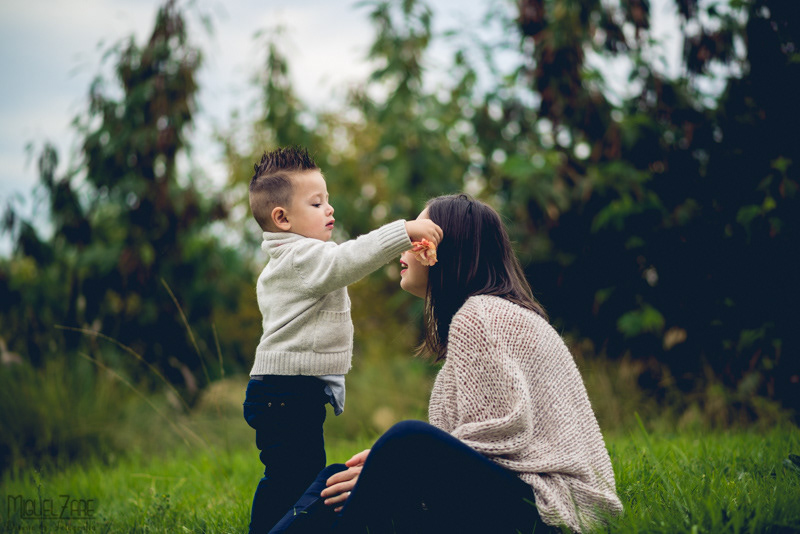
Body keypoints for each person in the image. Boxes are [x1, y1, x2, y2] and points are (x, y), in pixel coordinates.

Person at [270, 193, 623, 534]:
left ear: (447, 249)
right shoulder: (505, 314)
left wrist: (398, 464)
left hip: (550, 513)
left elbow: (499, 441)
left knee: (405, 441)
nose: (404, 246)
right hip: (537, 505)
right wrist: (387, 466)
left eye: (418, 236)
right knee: (340, 476)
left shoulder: (480, 317)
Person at [243, 146, 443, 533]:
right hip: (285, 395)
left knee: (292, 475)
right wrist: (403, 231)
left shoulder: (294, 260)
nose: (330, 209)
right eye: (317, 203)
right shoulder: (302, 258)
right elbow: (345, 261)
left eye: (328, 200)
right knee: (294, 478)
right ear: (281, 218)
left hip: (286, 394)